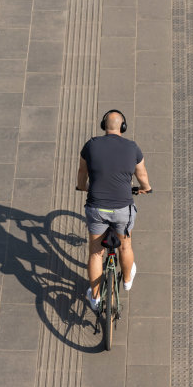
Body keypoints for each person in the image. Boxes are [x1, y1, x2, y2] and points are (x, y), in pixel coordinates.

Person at [76, 109, 152, 312]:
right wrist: (146, 188)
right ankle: (127, 281)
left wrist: (82, 186)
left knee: (95, 254)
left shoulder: (91, 145)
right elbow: (141, 174)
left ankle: (95, 297)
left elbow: (82, 172)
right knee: (125, 247)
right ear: (123, 127)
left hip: (96, 207)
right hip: (122, 209)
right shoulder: (132, 148)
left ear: (103, 126)